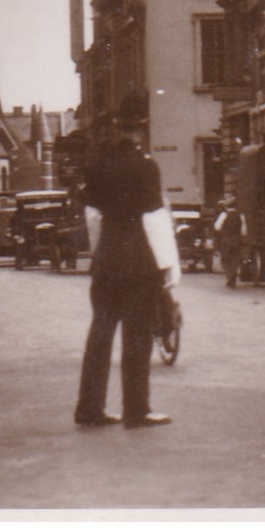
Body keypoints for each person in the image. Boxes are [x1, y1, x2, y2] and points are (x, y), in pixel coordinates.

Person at [74, 118, 179, 430]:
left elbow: (92, 216)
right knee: (137, 335)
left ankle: (89, 409)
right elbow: (156, 219)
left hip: (106, 259)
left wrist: (100, 256)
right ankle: (136, 410)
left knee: (100, 334)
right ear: (139, 131)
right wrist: (169, 267)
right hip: (138, 259)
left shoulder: (97, 166)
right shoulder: (145, 166)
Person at [214, 202, 246, 288]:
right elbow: (243, 231)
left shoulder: (224, 215)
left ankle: (229, 275)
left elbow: (217, 227)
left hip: (226, 240)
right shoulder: (241, 216)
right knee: (235, 259)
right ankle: (233, 278)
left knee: (224, 259)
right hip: (236, 240)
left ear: (227, 207)